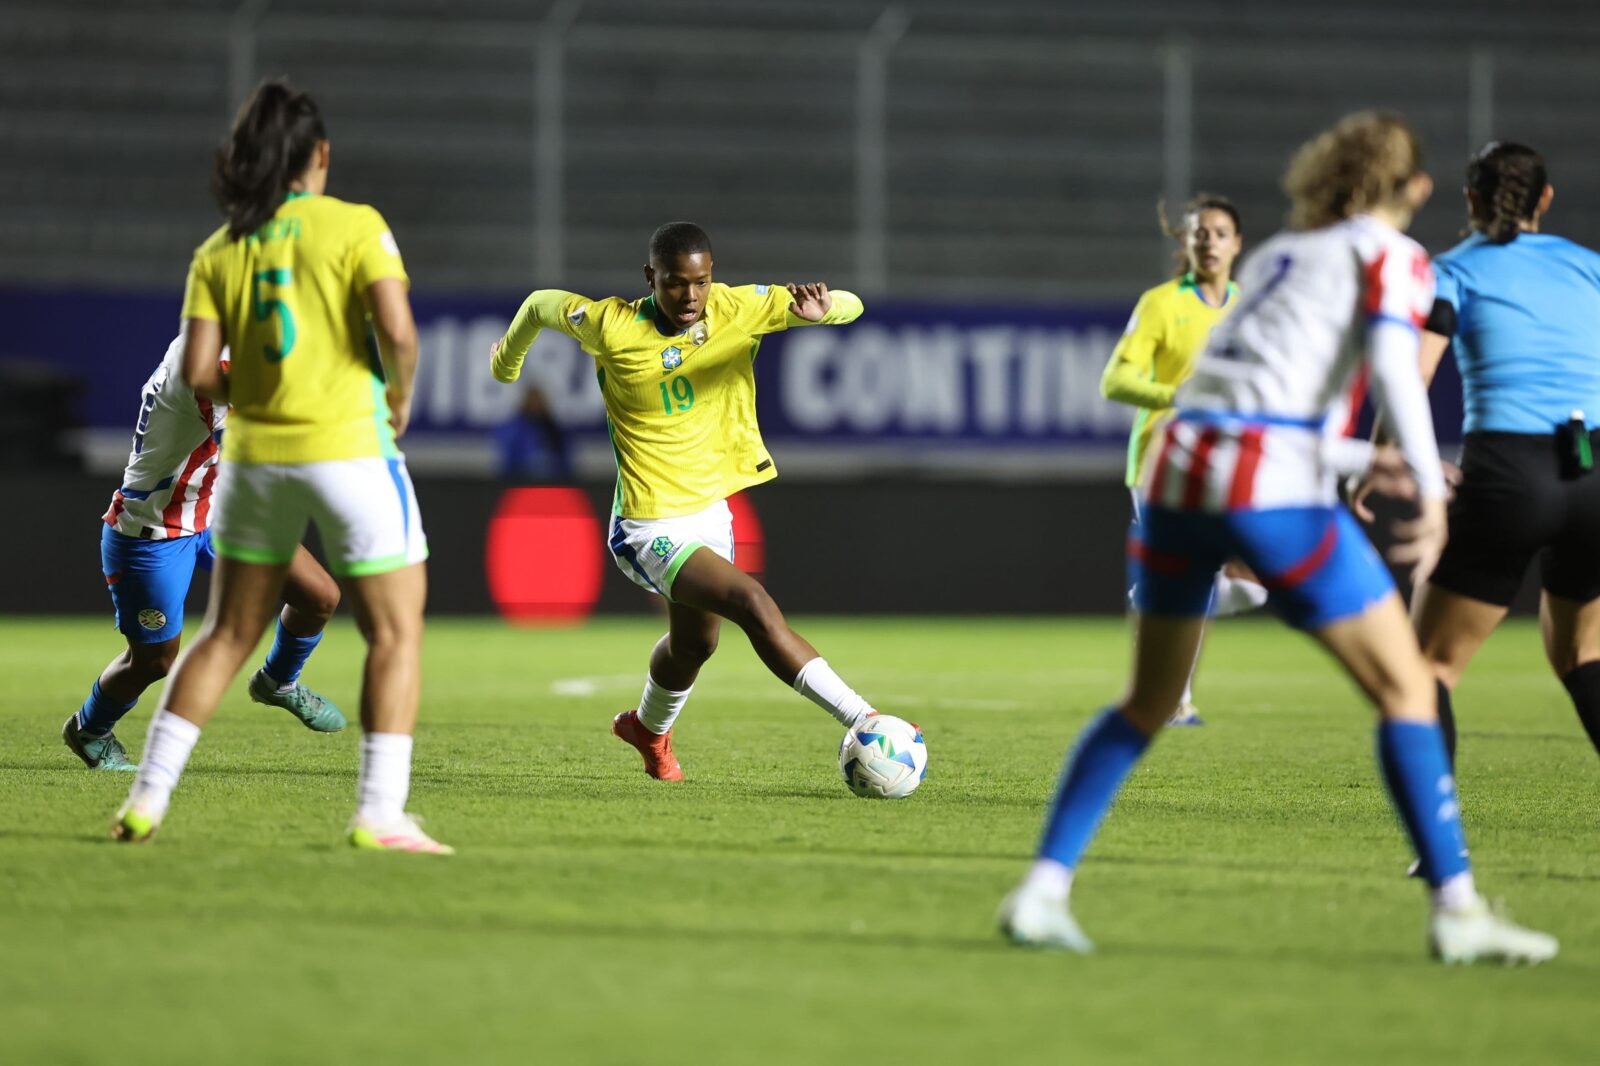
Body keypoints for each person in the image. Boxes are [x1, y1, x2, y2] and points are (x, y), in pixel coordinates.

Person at [997, 112, 1557, 964]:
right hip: (1263, 480)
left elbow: (1245, 400)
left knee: (1146, 702)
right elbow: (1394, 366)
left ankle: (1041, 892)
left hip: (1176, 470)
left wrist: (1358, 456)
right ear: (1415, 188)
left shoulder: (1279, 257)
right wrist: (1425, 481)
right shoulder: (1395, 256)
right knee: (1408, 688)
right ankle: (1457, 912)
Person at [111, 78, 448, 854]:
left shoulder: (219, 249)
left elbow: (201, 371)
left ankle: (147, 799)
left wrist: (264, 391)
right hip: (350, 447)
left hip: (257, 460)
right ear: (319, 154)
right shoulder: (357, 224)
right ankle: (379, 816)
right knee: (395, 632)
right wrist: (398, 397)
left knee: (225, 633)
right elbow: (399, 333)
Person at [490, 222, 880, 781]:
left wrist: (825, 312)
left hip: (710, 513)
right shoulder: (612, 325)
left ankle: (647, 730)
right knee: (752, 602)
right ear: (651, 277)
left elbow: (853, 304)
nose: (690, 296)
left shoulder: (737, 308)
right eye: (675, 283)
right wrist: (506, 362)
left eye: (700, 282)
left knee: (695, 644)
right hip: (648, 524)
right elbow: (538, 304)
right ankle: (865, 719)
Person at [1356, 142, 1600, 766]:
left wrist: (1372, 463)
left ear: (1470, 199)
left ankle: (1435, 823)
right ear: (1546, 199)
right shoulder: (1590, 268)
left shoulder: (1450, 272)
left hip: (1511, 471)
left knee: (1427, 667)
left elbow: (1410, 378)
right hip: (1594, 470)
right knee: (1584, 655)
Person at [66, 334, 347, 772]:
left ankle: (277, 681)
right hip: (153, 531)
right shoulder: (208, 366)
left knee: (318, 596)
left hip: (219, 512)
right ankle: (89, 729)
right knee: (154, 661)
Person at [1100, 194, 1267, 724]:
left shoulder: (1254, 304)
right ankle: (1174, 697)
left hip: (1230, 458)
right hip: (1162, 460)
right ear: (1185, 242)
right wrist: (1178, 396)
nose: (1209, 241)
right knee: (1189, 574)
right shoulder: (1161, 303)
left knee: (1246, 583)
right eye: (1199, 232)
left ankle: (1159, 616)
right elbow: (1115, 380)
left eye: (1220, 233)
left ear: (1237, 243)